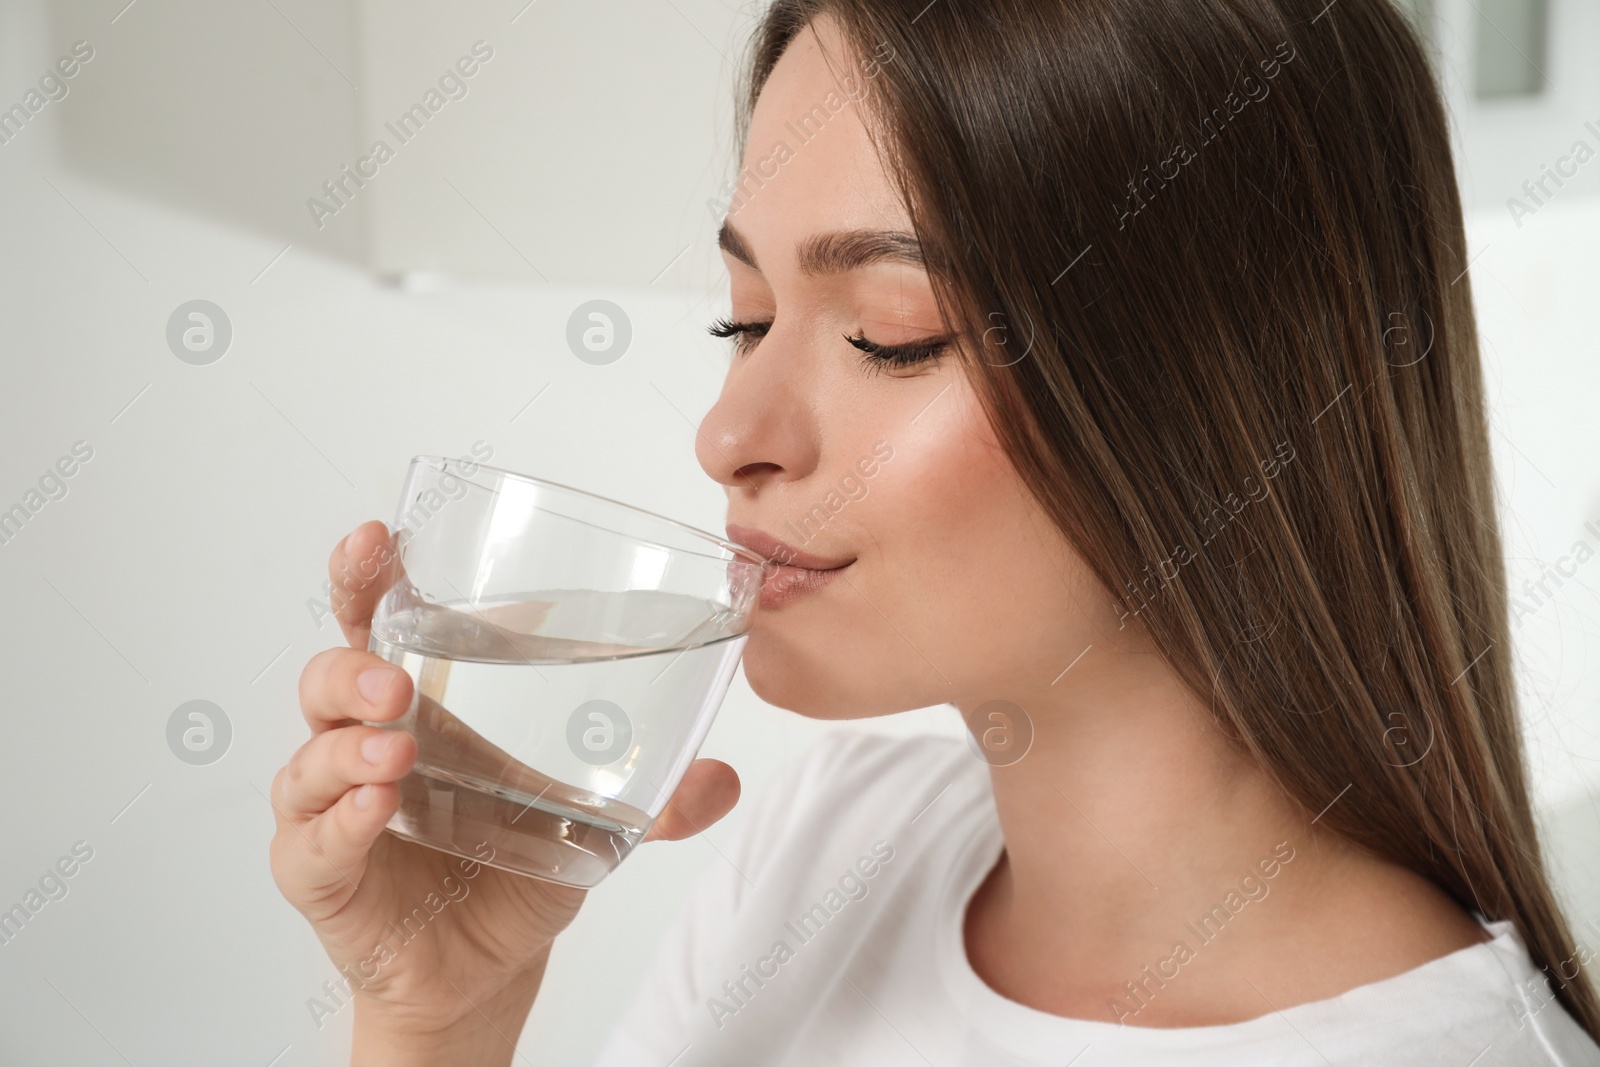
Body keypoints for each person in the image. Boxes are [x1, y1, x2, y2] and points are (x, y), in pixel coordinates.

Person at [269, 1, 1600, 1063]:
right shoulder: (830, 850)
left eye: (886, 335)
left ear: (1220, 399)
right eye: (743, 318)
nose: (729, 432)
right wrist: (434, 1025)